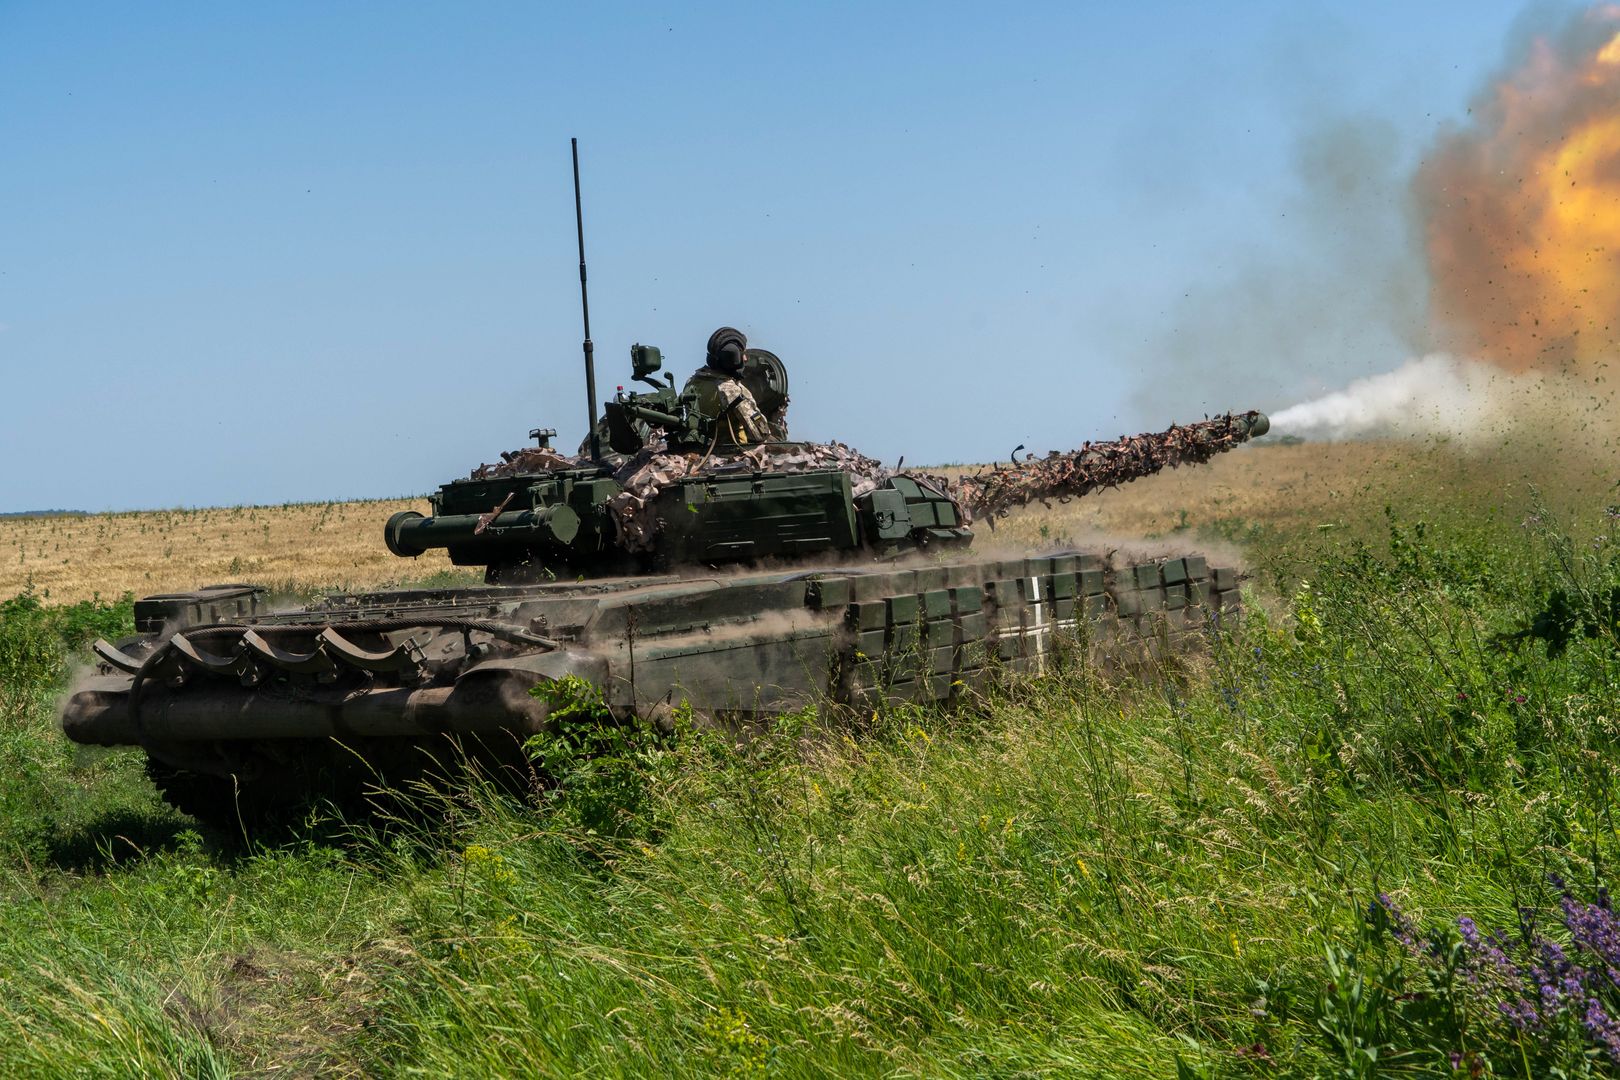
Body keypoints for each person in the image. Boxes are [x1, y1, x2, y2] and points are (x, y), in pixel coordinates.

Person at [682, 326, 785, 445]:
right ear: (734, 359)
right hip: (732, 452)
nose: (745, 358)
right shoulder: (730, 390)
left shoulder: (692, 381)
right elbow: (759, 434)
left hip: (702, 449)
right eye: (742, 354)